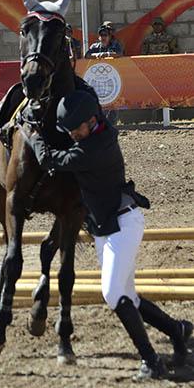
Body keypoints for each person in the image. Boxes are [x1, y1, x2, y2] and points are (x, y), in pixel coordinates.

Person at [24, 90, 193, 381]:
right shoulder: (96, 135)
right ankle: (177, 330)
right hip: (107, 229)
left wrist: (33, 133)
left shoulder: (93, 148)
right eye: (71, 130)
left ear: (92, 121)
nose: (74, 134)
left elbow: (51, 162)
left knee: (112, 294)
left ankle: (151, 361)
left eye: (77, 129)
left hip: (122, 227)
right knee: (128, 296)